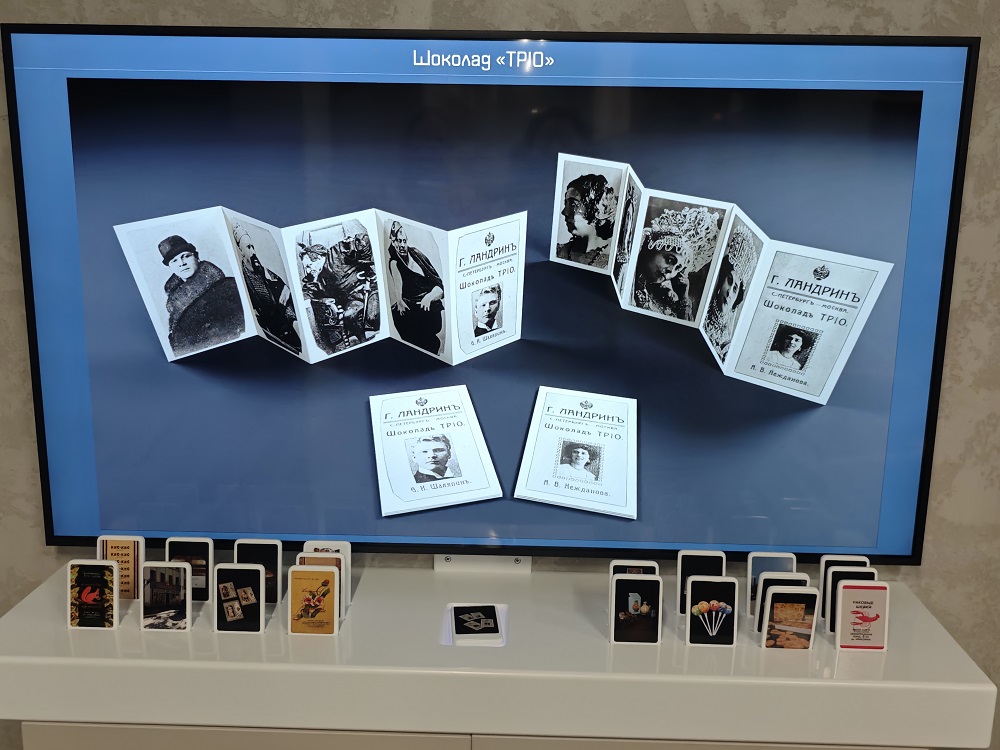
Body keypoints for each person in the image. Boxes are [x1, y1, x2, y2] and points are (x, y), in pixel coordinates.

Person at [158, 235, 245, 357]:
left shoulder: (228, 287)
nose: (182, 263)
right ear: (170, 266)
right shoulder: (174, 303)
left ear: (196, 257)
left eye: (186, 256)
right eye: (174, 261)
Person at [232, 223, 301, 354]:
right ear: (241, 250)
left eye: (253, 247)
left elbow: (282, 291)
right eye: (248, 247)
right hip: (266, 329)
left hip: (283, 321)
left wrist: (286, 291)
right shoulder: (243, 276)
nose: (253, 252)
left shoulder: (264, 271)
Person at [387, 221, 445, 355]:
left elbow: (440, 287)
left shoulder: (416, 254)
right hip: (413, 310)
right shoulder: (394, 262)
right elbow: (398, 284)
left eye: (404, 241)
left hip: (431, 307)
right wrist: (399, 301)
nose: (402, 245)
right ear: (393, 242)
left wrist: (429, 297)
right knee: (397, 313)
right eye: (398, 241)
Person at [555, 173, 617, 269]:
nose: (564, 212)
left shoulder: (613, 262)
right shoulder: (557, 252)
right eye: (565, 203)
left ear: (596, 209)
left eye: (573, 204)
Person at [632, 230, 695, 320]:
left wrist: (684, 297)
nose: (671, 271)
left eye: (677, 268)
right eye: (669, 260)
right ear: (653, 249)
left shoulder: (665, 299)